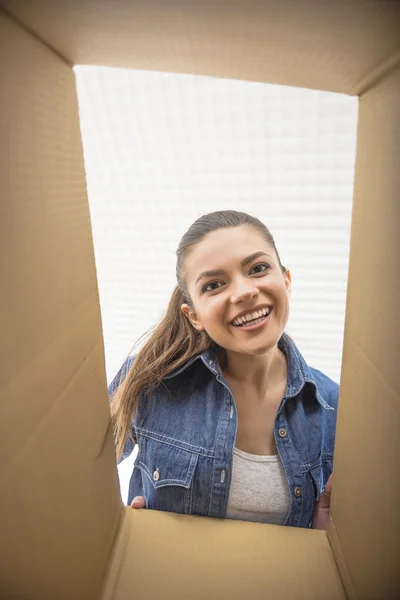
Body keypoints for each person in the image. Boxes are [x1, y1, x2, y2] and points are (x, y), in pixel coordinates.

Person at [109, 210, 338, 529]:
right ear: (194, 316)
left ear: (286, 281)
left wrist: (329, 536)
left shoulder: (336, 408)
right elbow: (73, 475)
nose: (244, 292)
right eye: (214, 285)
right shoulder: (147, 380)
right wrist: (121, 528)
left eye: (258, 268)